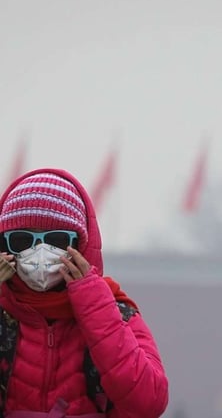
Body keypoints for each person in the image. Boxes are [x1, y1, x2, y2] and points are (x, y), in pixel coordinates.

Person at [0, 168, 168, 417]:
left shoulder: (116, 312)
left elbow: (148, 404)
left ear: (82, 244)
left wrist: (91, 301)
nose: (40, 252)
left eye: (57, 240)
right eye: (23, 240)